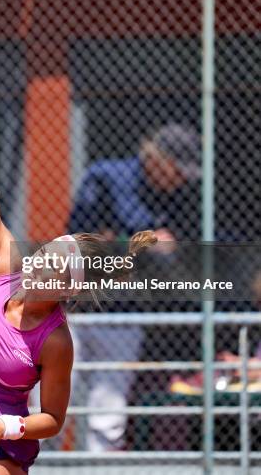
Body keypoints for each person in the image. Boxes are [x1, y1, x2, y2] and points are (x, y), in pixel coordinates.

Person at [0, 65, 156, 474]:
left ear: (66, 291)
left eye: (54, 267)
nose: (39, 263)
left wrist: (6, 425)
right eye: (45, 252)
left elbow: (52, 419)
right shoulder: (2, 264)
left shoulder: (56, 342)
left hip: (2, 450)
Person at [68, 123, 201, 451]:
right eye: (178, 170)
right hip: (75, 309)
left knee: (108, 416)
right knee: (52, 401)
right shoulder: (106, 177)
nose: (181, 179)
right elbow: (80, 240)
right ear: (158, 159)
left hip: (125, 311)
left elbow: (181, 251)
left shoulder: (179, 198)